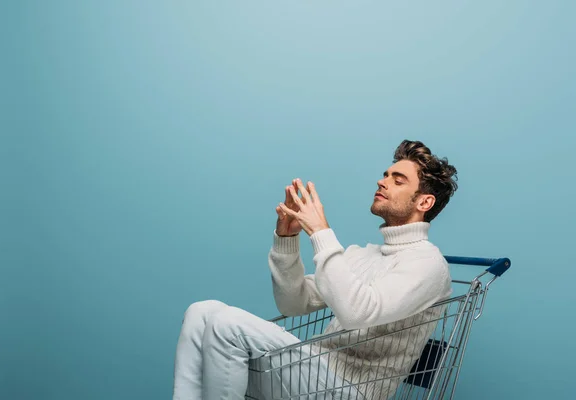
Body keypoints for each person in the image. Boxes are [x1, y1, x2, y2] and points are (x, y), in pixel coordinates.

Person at [172, 140, 458, 400]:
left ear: (424, 202)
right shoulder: (363, 255)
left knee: (226, 325)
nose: (382, 182)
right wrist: (287, 241)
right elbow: (293, 303)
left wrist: (320, 231)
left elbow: (358, 312)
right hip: (310, 376)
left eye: (398, 181)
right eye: (385, 175)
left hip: (351, 391)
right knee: (201, 312)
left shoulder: (428, 265)